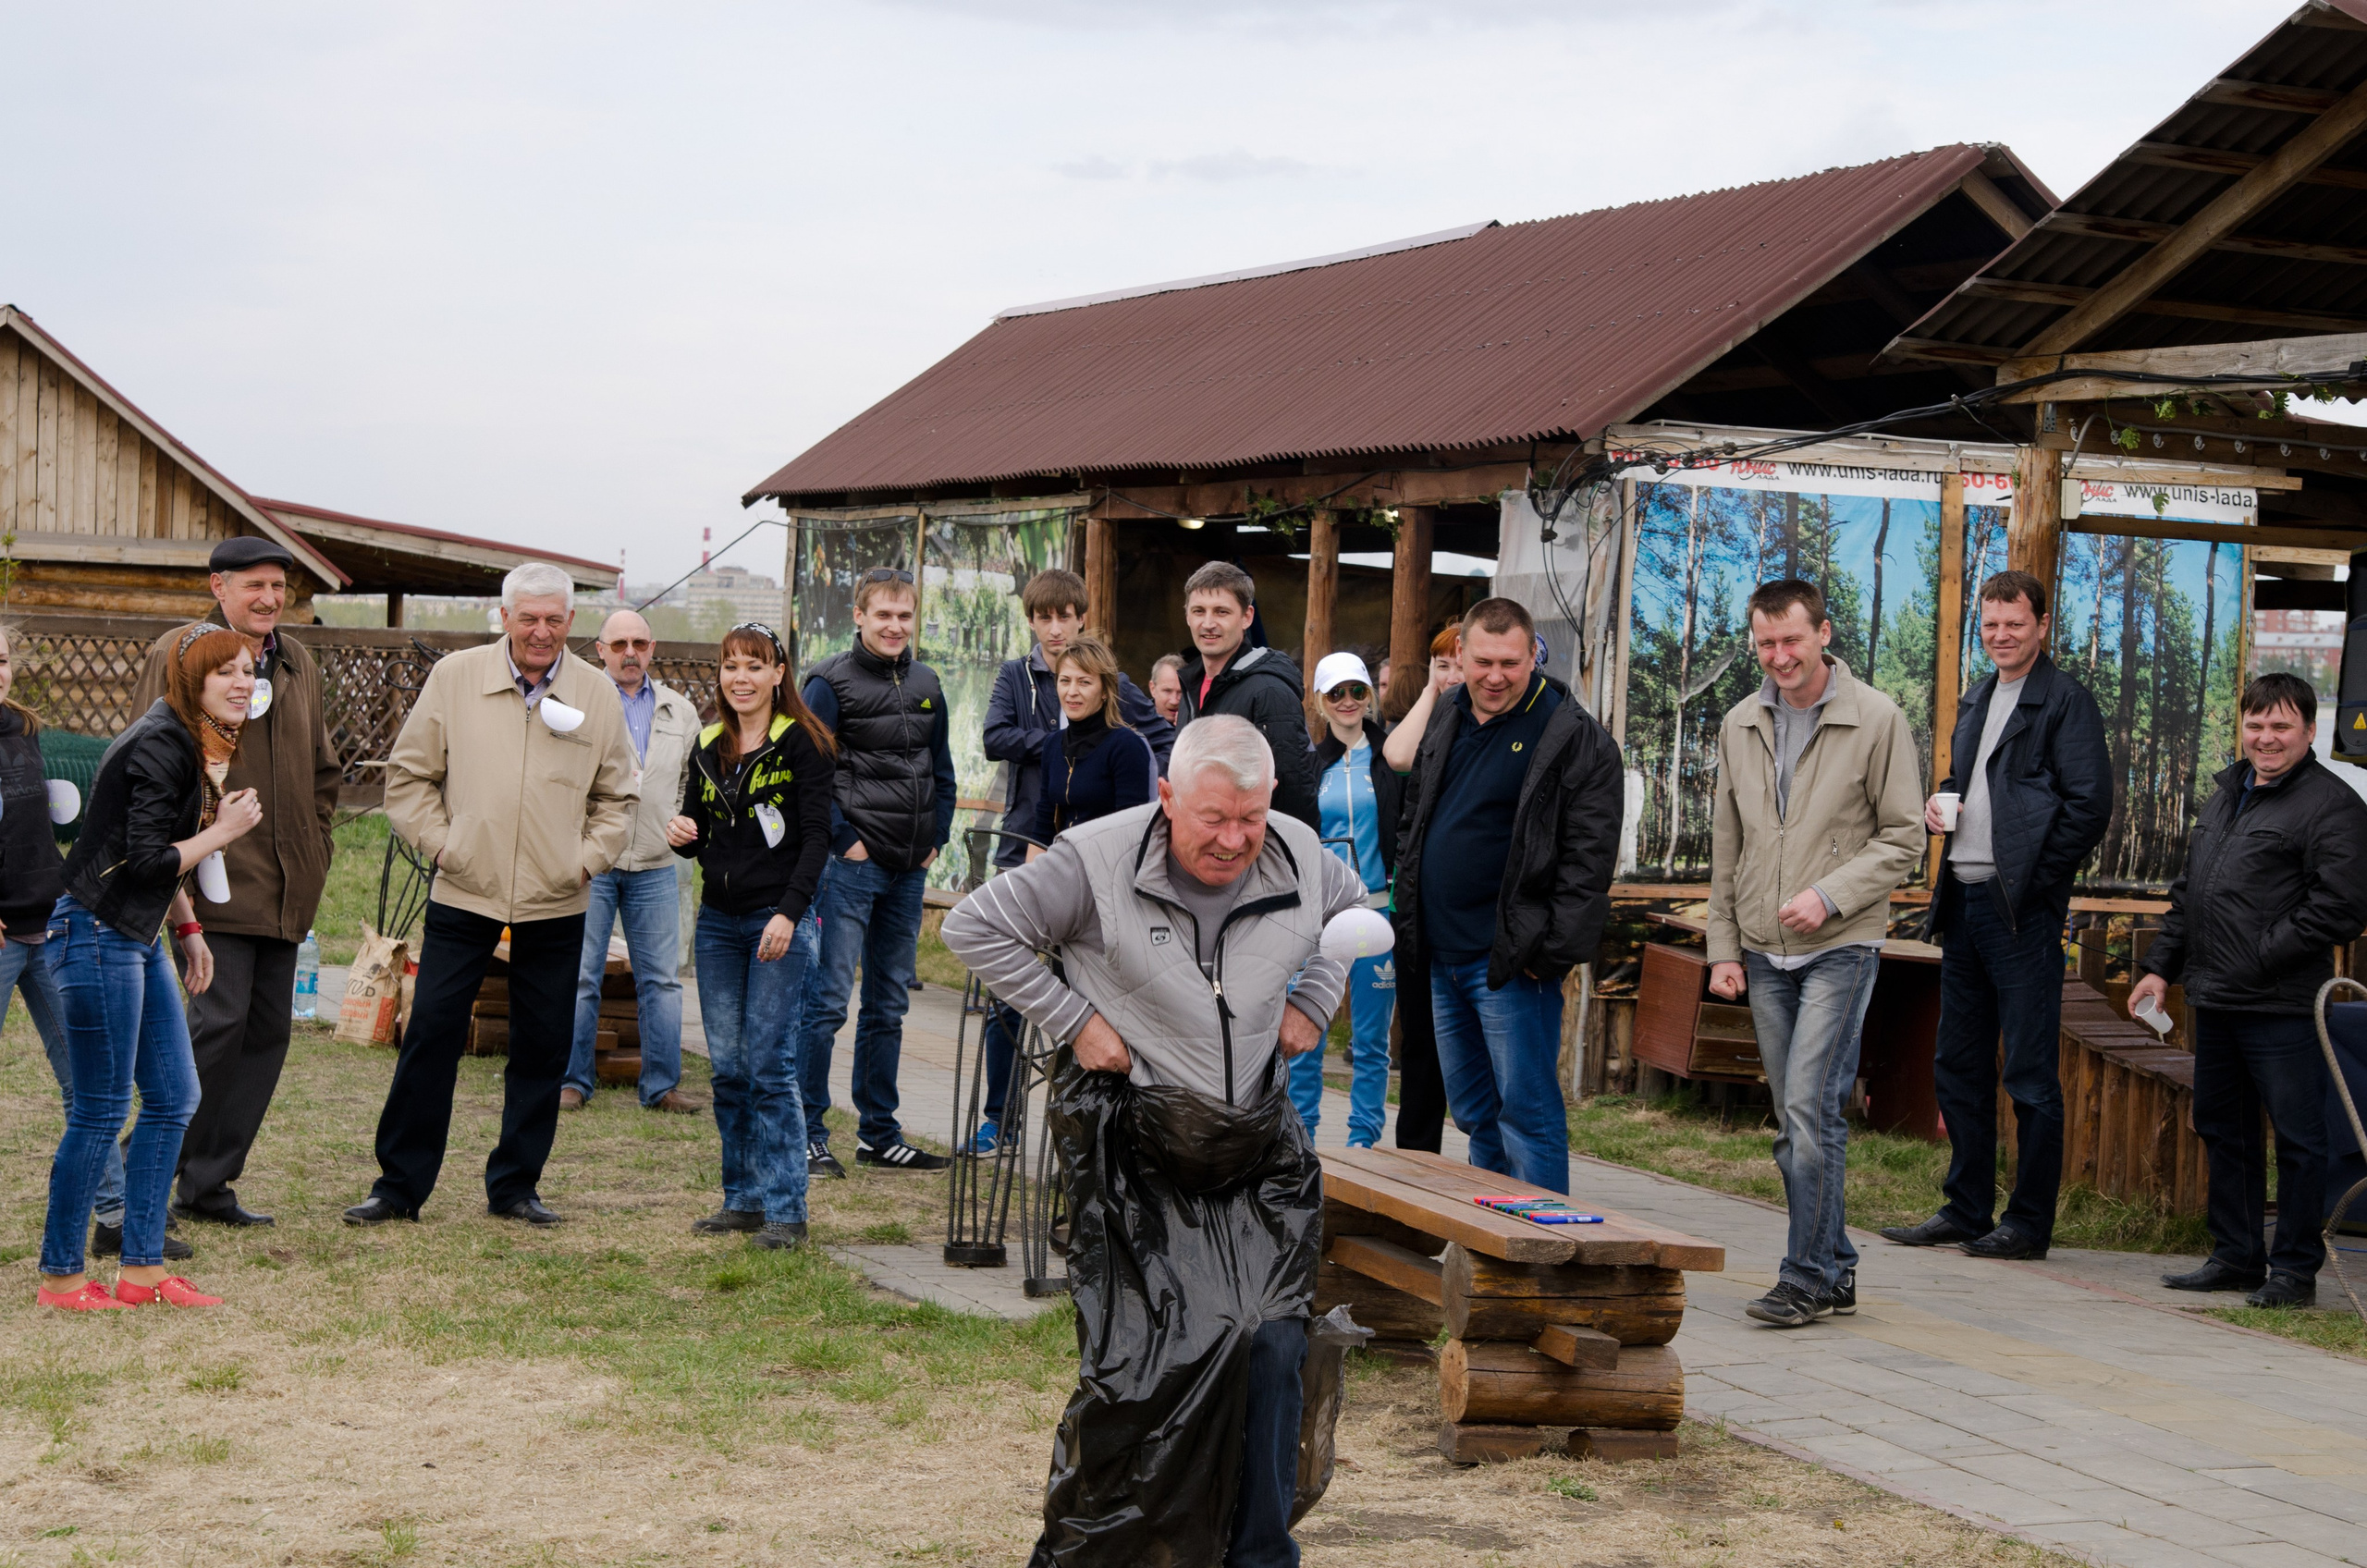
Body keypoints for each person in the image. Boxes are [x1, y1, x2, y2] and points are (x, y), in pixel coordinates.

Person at [940, 716, 1366, 1567]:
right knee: (1149, 1358)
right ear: (1166, 796)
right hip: (1136, 1140)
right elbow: (974, 928)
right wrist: (1075, 1020)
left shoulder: (1298, 851)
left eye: (1250, 817)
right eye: (1213, 819)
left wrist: (1314, 999)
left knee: (1273, 1341)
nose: (1235, 840)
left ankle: (1256, 1552)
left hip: (1251, 1143)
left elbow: (1352, 913)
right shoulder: (1094, 860)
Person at [345, 562, 639, 1227]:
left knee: (542, 1046)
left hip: (557, 900)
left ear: (571, 623)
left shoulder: (596, 693)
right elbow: (410, 779)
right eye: (528, 618)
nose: (541, 631)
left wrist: (586, 860)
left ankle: (514, 1186)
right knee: (431, 1037)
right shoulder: (456, 679)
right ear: (503, 618)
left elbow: (618, 797)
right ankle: (398, 1187)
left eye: (554, 619)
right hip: (464, 893)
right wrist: (447, 846)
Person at [1706, 581, 1924, 1329]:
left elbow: (1904, 837)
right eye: (1765, 644)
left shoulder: (1877, 719)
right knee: (1797, 1122)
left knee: (1808, 1108)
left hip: (1842, 945)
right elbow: (1727, 847)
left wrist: (1829, 895)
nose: (1779, 657)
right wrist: (1722, 949)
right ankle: (1836, 1269)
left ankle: (1803, 1276)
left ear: (1823, 633)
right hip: (1763, 954)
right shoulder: (1740, 722)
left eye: (1792, 641)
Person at [1882, 570, 2110, 1263]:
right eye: (1990, 626)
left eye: (2014, 623)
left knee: (2031, 1074)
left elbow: (2088, 808)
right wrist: (1940, 802)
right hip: (1966, 899)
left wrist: (2035, 885)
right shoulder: (1978, 696)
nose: (2001, 636)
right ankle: (1965, 1208)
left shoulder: (2066, 701)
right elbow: (1969, 786)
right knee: (1958, 1063)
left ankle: (2029, 1222)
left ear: (2042, 624)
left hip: (2023, 913)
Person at [38, 625, 263, 1310]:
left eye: (248, 671)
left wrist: (187, 926)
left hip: (133, 935)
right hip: (95, 933)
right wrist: (223, 832)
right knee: (102, 1114)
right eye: (223, 671)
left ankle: (141, 1271)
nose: (240, 683)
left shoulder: (189, 740)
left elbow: (156, 860)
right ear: (190, 679)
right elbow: (143, 860)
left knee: (172, 1098)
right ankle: (61, 1277)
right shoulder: (162, 743)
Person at [123, 537, 340, 1231]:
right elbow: (146, 760)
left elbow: (322, 769)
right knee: (212, 1032)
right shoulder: (180, 651)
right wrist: (182, 857)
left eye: (280, 586)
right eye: (255, 586)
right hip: (216, 878)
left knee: (263, 1038)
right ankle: (130, 1186)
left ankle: (209, 1184)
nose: (271, 599)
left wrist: (316, 844)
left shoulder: (297, 660)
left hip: (288, 884)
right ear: (219, 587)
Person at [2136, 673, 2367, 1308]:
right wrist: (2160, 966)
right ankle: (2236, 1256)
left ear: (2310, 732)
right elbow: (2192, 894)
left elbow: (2341, 908)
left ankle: (2294, 1272)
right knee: (2223, 1129)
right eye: (2256, 726)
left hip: (2283, 1003)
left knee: (2298, 1139)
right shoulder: (2227, 794)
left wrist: (2262, 955)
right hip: (2215, 997)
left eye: (2281, 727)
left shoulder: (2333, 806)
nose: (2266, 738)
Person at [1390, 597, 1621, 1192]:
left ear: (1532, 657)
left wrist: (1548, 955)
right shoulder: (1449, 712)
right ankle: (1494, 1244)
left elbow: (1588, 860)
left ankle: (1543, 1260)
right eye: (1484, 661)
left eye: (1511, 663)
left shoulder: (1572, 735)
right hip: (1444, 957)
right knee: (1474, 1116)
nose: (1496, 676)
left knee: (1528, 1116)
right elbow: (1418, 812)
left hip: (1513, 961)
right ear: (1460, 655)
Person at [667, 622, 836, 1251]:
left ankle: (787, 1209)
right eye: (731, 665)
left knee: (771, 1066)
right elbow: (699, 827)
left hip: (778, 922)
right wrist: (683, 835)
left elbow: (817, 839)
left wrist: (790, 913)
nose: (740, 678)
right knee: (730, 1069)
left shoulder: (804, 744)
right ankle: (742, 1199)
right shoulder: (708, 742)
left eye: (754, 666)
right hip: (717, 923)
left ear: (778, 674)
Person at [796, 568, 958, 1177]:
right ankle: (808, 1130)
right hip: (851, 868)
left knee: (888, 1005)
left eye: (905, 616)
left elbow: (941, 767)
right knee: (829, 1001)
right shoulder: (827, 682)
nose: (895, 626)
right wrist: (846, 839)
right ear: (858, 617)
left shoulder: (926, 681)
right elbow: (809, 772)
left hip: (908, 869)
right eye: (883, 615)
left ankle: (879, 1135)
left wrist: (935, 838)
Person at [1, 625, 152, 1262]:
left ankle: (113, 1217)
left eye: (2, 658)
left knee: (88, 1082)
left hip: (48, 927)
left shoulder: (27, 734)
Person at [561, 608, 702, 1114]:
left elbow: (690, 781)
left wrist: (679, 820)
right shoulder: (577, 703)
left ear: (652, 648)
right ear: (599, 649)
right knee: (581, 976)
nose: (630, 653)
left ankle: (661, 1086)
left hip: (656, 863)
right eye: (618, 643)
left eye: (639, 643)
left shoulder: (679, 711)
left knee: (661, 980)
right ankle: (572, 1082)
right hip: (591, 864)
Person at [986, 570, 1172, 882]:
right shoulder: (1015, 675)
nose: (1056, 629)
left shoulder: (1114, 684)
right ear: (1031, 621)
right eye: (1045, 618)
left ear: (1082, 618)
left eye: (1065, 616)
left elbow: (1167, 740)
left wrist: (1146, 780)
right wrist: (1061, 746)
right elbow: (994, 738)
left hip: (1097, 853)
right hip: (1026, 835)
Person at [1297, 650, 1403, 1147]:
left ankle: (1364, 1141)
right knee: (1304, 1032)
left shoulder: (1391, 758)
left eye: (1356, 691)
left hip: (1376, 912)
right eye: (1335, 692)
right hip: (1318, 918)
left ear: (1370, 696)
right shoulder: (1306, 765)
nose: (1347, 701)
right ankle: (1302, 1137)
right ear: (1320, 701)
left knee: (1371, 1040)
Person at [1174, 561, 1319, 829]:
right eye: (1199, 611)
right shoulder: (1190, 688)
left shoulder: (1269, 692)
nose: (1208, 623)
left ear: (1247, 617)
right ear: (1187, 615)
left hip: (1251, 854)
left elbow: (1294, 796)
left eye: (1221, 612)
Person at [1380, 625, 1466, 767]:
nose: (1451, 679)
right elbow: (1399, 759)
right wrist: (1431, 688)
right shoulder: (1436, 718)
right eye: (1443, 666)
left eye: (1461, 667)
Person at [1148, 653, 1184, 729]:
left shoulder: (1197, 724)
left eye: (1181, 692)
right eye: (1167, 691)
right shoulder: (1138, 725)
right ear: (1153, 689)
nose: (1174, 701)